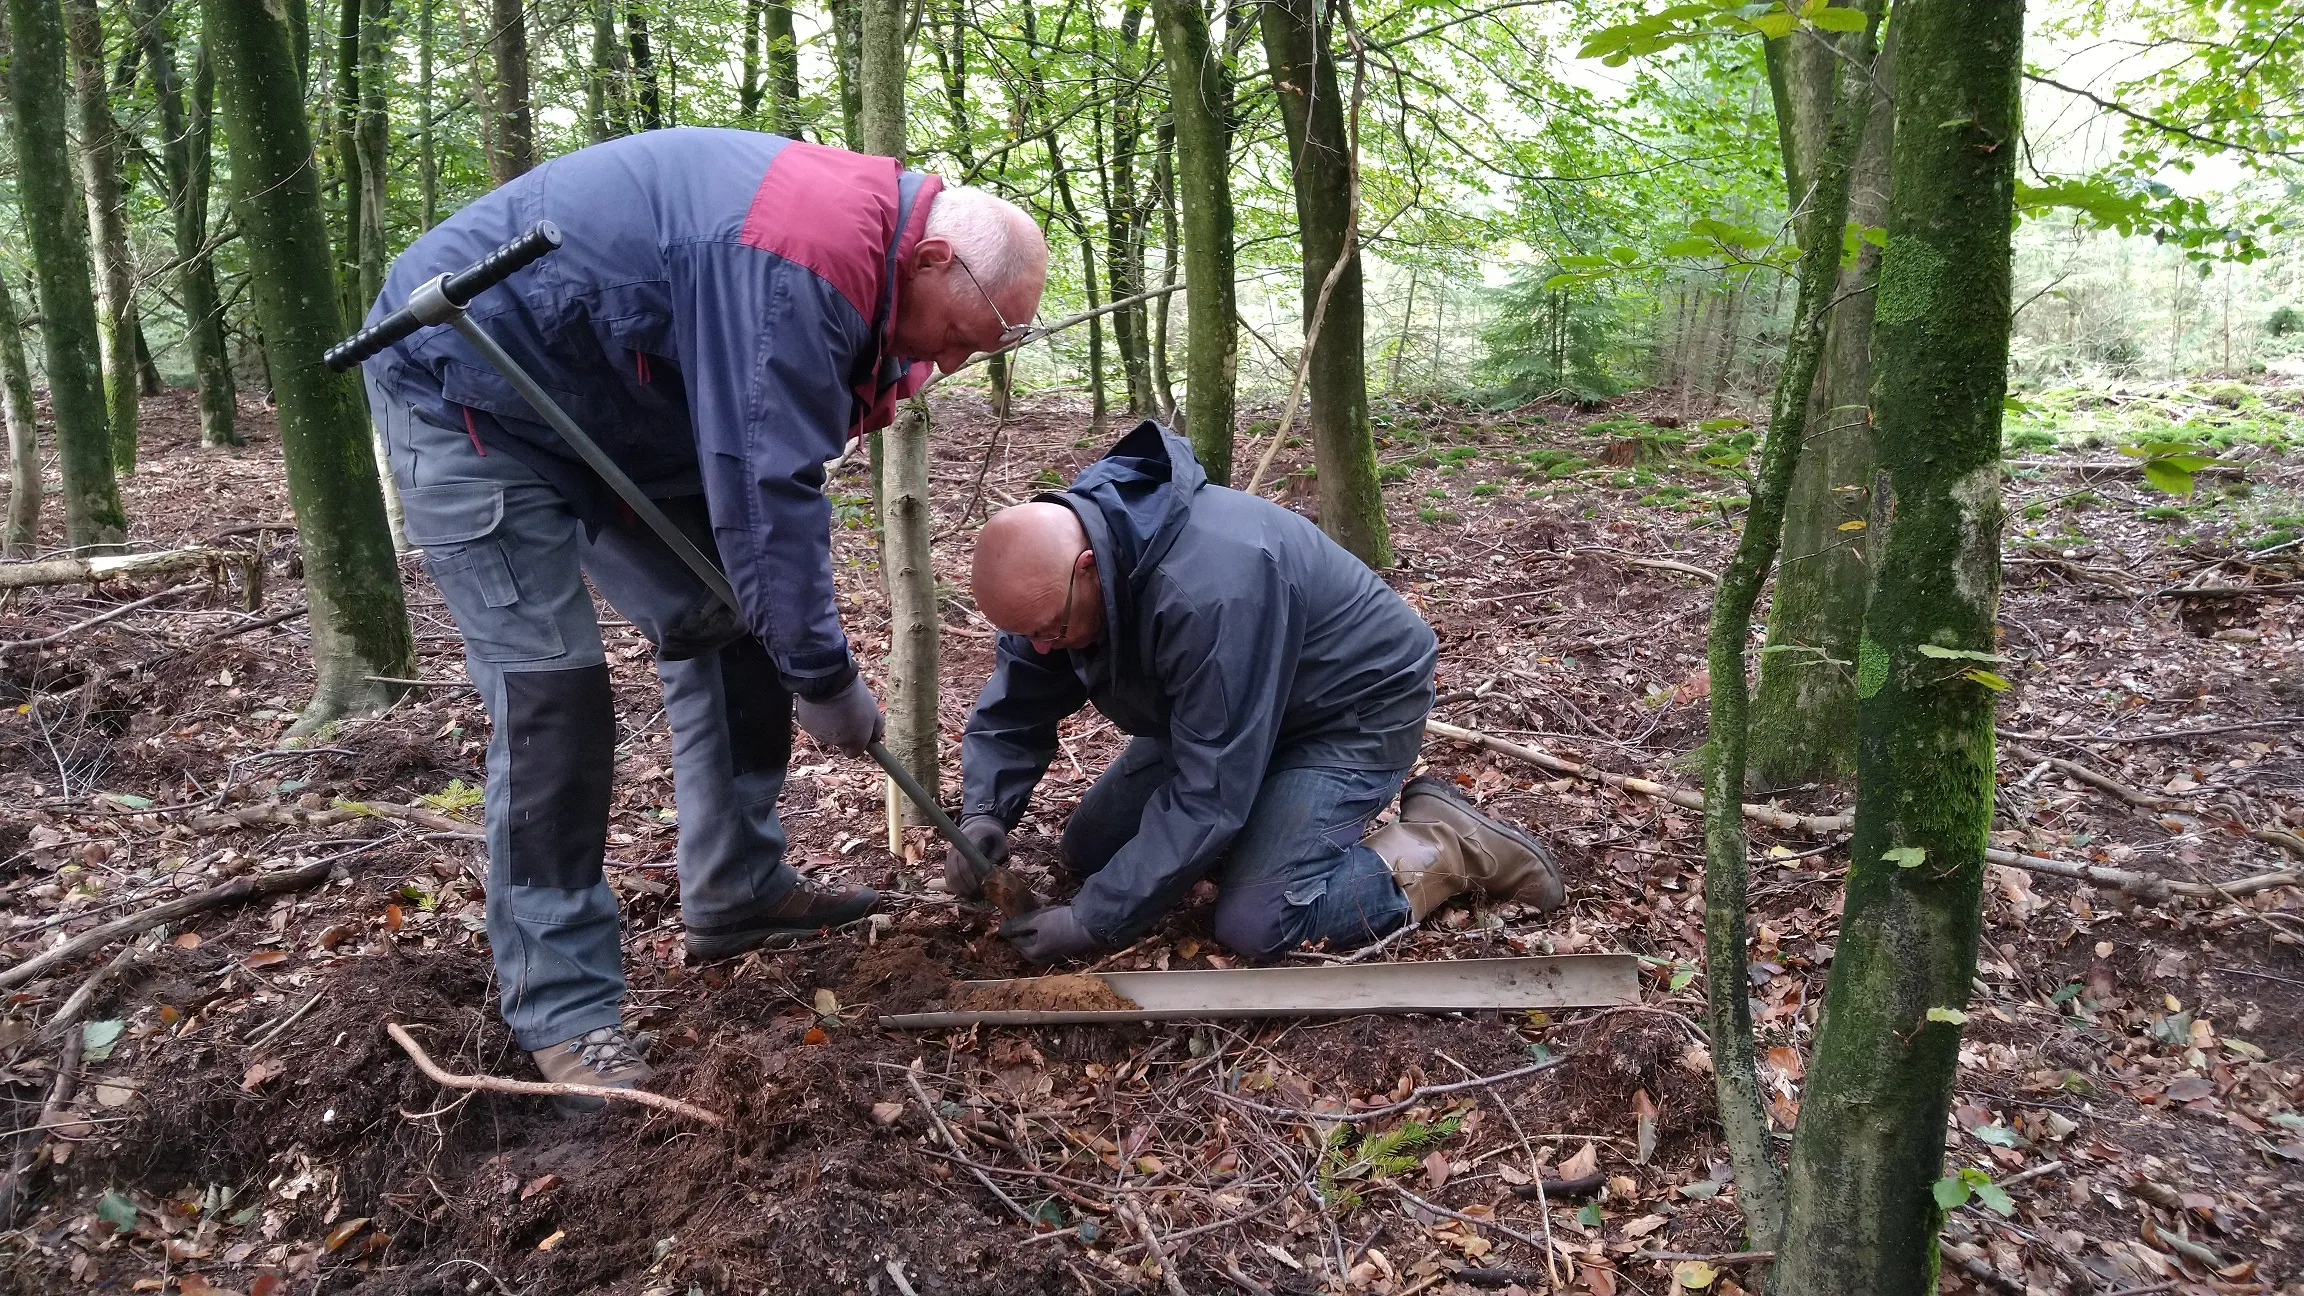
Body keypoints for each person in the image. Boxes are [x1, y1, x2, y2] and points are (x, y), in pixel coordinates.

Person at [358, 128, 1047, 1107]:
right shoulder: (795, 261)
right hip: (467, 385)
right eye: (958, 338)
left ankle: (737, 891)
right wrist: (826, 678)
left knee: (735, 625)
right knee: (553, 693)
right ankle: (561, 1008)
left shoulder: (871, 262)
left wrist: (798, 651)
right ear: (932, 259)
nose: (949, 362)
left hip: (612, 402)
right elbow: (766, 490)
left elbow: (789, 442)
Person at [944, 422, 1564, 963]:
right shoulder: (1058, 580)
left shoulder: (1213, 588)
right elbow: (1018, 702)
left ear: (1085, 569)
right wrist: (985, 810)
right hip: (1234, 709)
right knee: (1089, 849)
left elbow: (1211, 791)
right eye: (1030, 634)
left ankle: (1445, 844)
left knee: (1258, 922)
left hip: (1348, 711)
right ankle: (1269, 827)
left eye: (1051, 629)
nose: (1044, 646)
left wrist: (1090, 922)